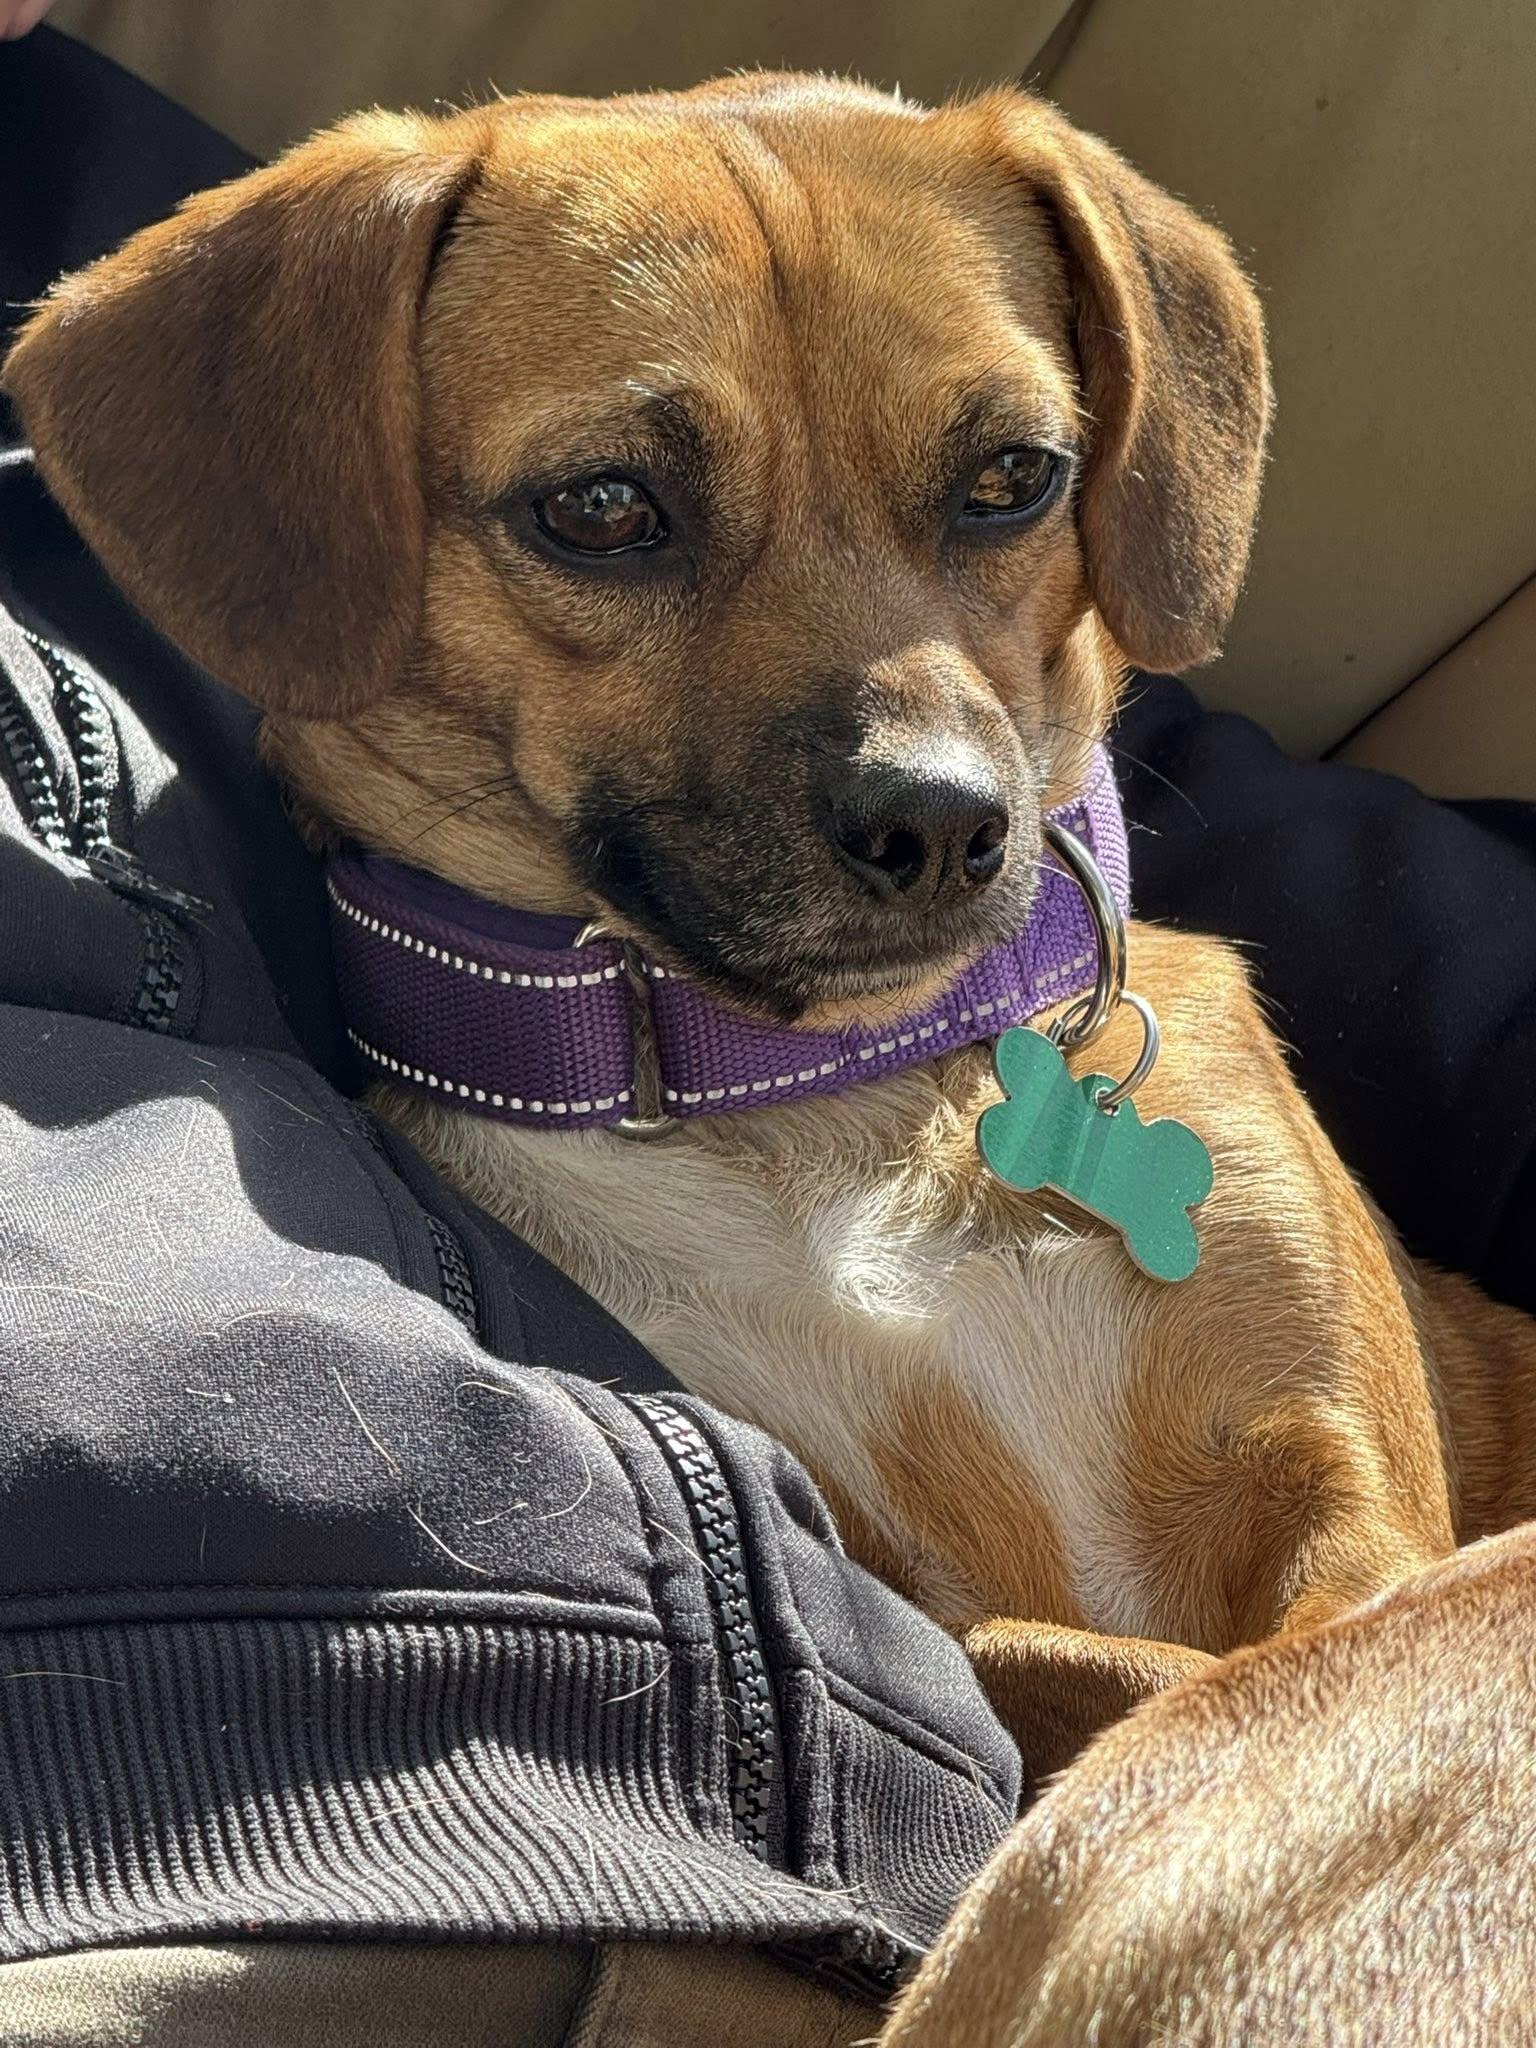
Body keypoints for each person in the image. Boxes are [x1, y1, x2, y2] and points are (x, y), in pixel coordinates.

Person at [1, 20, 1532, 2047]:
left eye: (1000, 487)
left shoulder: (1188, 1055)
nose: (922, 739)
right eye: (617, 517)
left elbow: (1384, 1680)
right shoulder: (438, 1254)